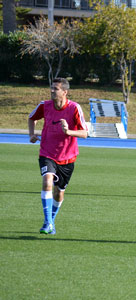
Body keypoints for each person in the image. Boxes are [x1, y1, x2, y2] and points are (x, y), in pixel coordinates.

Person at [28, 78, 88, 234]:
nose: (52, 91)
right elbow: (31, 118)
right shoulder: (44, 105)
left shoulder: (75, 108)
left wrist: (68, 132)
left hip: (68, 158)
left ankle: (51, 222)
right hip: (47, 153)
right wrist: (31, 134)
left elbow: (85, 133)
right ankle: (47, 222)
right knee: (47, 180)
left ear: (65, 92)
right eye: (52, 88)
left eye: (56, 89)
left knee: (59, 192)